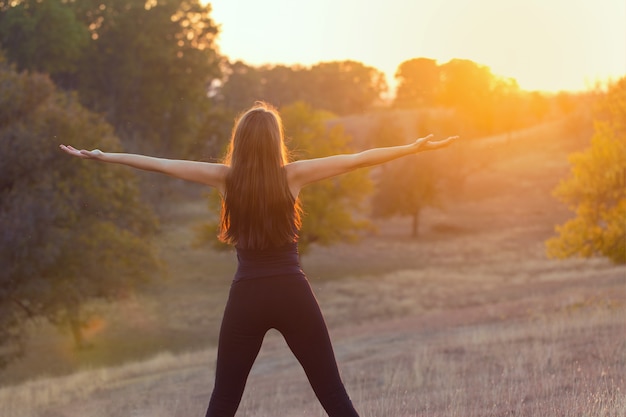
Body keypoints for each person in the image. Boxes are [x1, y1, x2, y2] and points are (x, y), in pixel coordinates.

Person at [60, 101, 457, 417]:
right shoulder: (293, 175)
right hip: (292, 293)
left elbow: (162, 165)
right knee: (334, 396)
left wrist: (104, 155)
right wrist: (413, 148)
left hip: (246, 297)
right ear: (275, 141)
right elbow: (357, 159)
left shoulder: (225, 178)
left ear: (240, 141)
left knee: (222, 404)